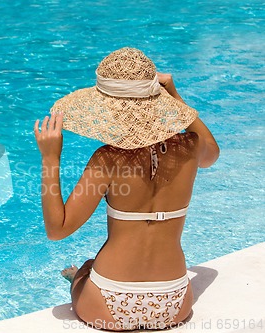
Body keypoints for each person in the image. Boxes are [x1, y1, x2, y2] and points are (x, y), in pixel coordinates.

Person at [33, 48, 219, 331]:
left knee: (86, 267)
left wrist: (50, 158)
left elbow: (57, 229)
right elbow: (212, 155)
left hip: (107, 303)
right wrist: (174, 98)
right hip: (174, 302)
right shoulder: (191, 148)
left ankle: (77, 278)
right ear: (159, 100)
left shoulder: (108, 159)